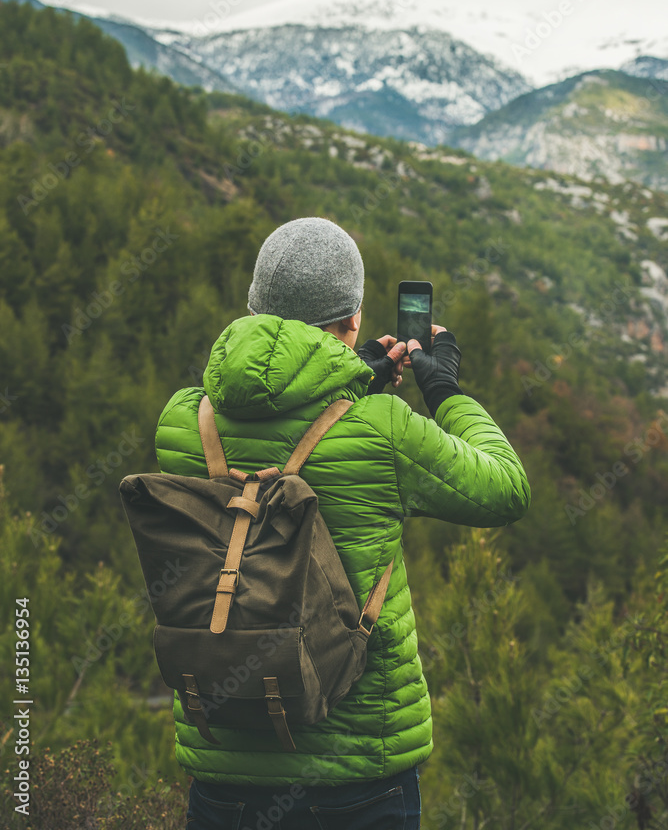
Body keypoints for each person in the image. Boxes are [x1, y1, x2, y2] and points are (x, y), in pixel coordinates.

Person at [154, 216, 531, 830]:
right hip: (359, 775)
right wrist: (443, 388)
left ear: (254, 309)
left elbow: (270, 408)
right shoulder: (381, 425)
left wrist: (350, 376)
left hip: (224, 773)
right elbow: (506, 489)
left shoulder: (183, 421)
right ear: (352, 319)